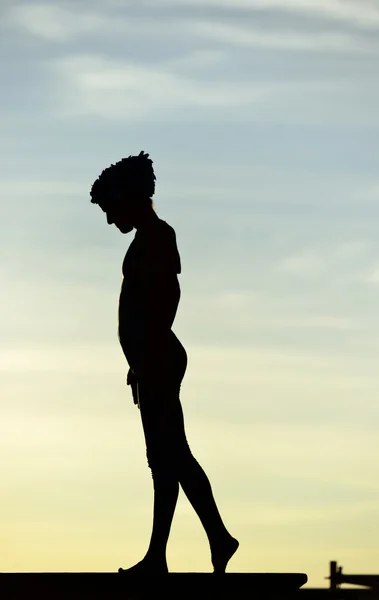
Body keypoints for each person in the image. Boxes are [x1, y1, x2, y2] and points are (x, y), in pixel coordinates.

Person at [90, 151, 239, 575]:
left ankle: (203, 541)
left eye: (109, 209)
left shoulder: (157, 236)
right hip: (151, 360)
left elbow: (166, 298)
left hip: (159, 359)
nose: (108, 220)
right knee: (167, 458)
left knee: (171, 456)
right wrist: (138, 359)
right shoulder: (147, 238)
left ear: (128, 197)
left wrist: (147, 355)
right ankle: (198, 543)